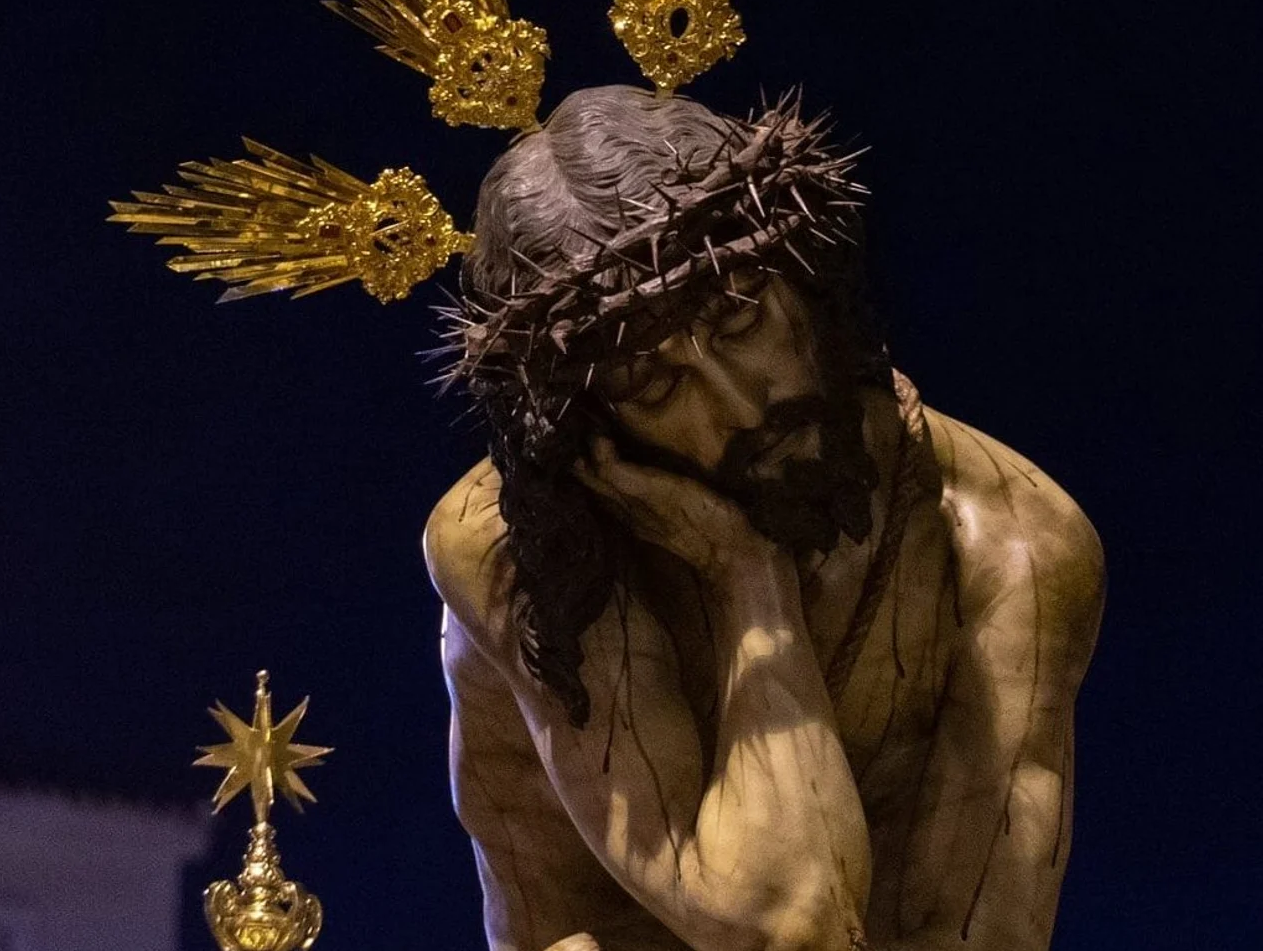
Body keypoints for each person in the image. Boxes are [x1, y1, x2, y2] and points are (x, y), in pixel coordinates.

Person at [426, 85, 1105, 951]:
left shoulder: (1011, 547)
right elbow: (784, 923)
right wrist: (749, 579)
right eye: (656, 385)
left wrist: (741, 569)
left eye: (742, 318)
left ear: (807, 283)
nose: (742, 407)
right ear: (591, 429)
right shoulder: (522, 549)